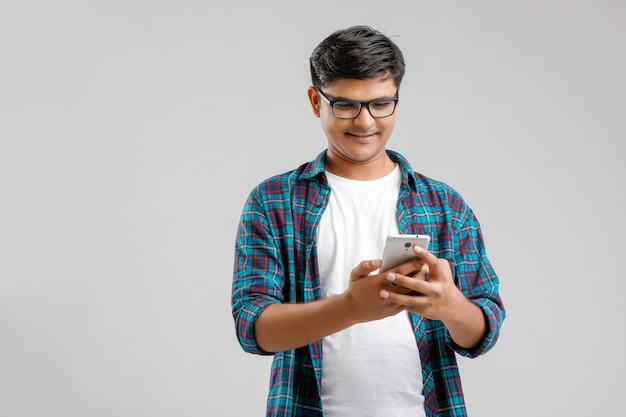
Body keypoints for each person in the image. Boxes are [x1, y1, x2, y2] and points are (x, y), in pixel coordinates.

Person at [231, 25, 505, 417]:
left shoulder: (444, 204)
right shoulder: (274, 200)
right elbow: (251, 327)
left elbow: (482, 331)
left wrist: (450, 307)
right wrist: (350, 308)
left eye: (380, 104)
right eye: (346, 105)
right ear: (315, 101)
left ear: (397, 99)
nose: (365, 122)